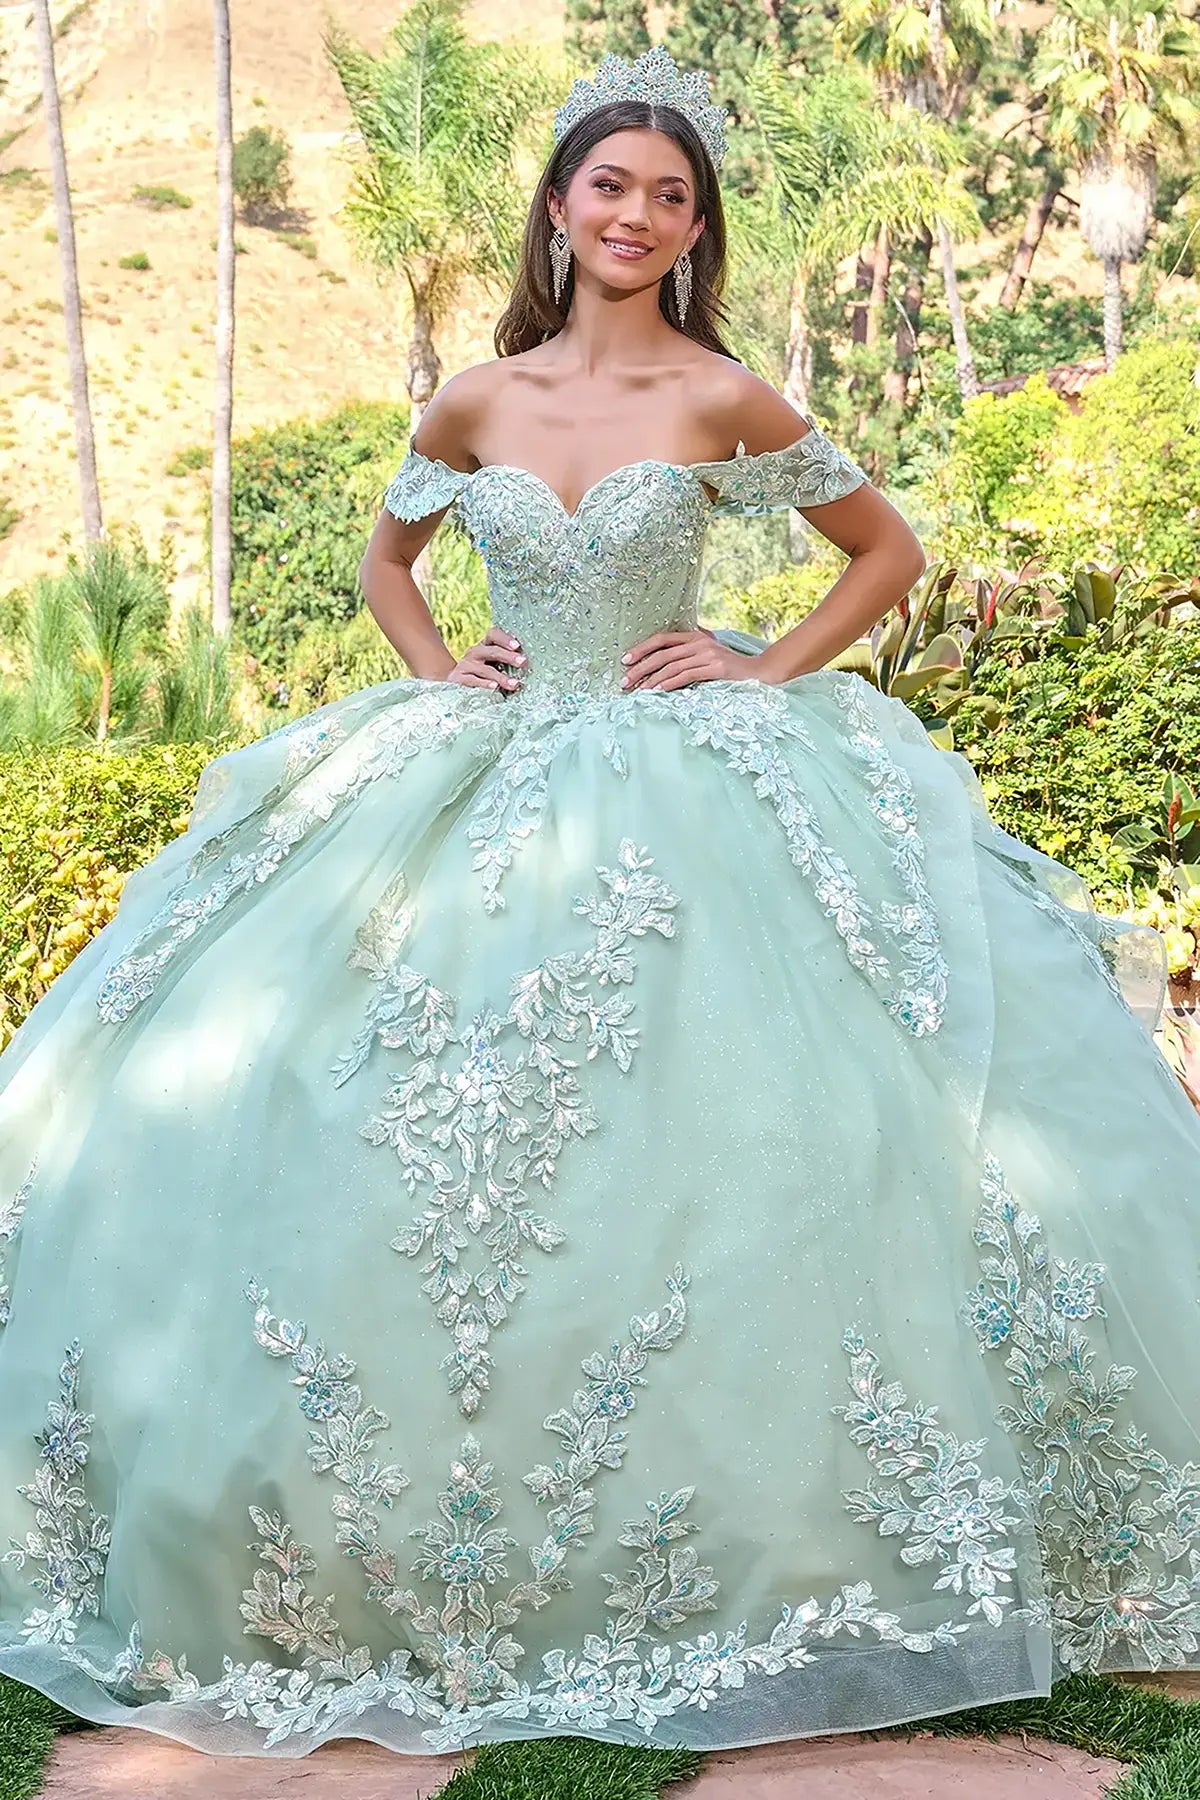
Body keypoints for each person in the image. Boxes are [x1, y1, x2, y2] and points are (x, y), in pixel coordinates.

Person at [0, 43, 1198, 1767]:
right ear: (559, 205)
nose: (640, 214)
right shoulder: (474, 400)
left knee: (751, 1132)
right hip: (478, 769)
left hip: (677, 774)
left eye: (674, 196)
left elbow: (889, 552)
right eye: (612, 185)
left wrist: (749, 666)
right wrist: (439, 672)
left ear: (694, 229)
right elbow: (389, 561)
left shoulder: (723, 396)